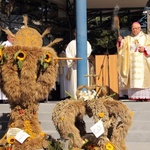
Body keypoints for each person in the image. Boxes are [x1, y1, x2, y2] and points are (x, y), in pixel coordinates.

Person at [117, 22, 150, 101]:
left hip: (143, 63)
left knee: (144, 79)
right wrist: (120, 41)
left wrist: (145, 48)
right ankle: (135, 96)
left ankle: (146, 96)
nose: (134, 30)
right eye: (133, 28)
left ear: (139, 28)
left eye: (136, 28)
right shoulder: (128, 38)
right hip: (131, 63)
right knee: (133, 80)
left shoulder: (146, 37)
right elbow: (121, 48)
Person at [65, 29, 92, 99]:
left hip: (83, 64)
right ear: (74, 34)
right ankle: (75, 97)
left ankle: (85, 96)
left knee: (84, 79)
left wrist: (83, 56)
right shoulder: (71, 43)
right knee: (74, 81)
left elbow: (89, 52)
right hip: (75, 65)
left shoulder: (86, 42)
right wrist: (72, 59)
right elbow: (68, 53)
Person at [0, 34, 15, 102]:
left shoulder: (15, 45)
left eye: (14, 37)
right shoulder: (4, 44)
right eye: (11, 37)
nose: (13, 39)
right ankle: (3, 99)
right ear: (8, 37)